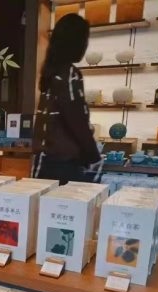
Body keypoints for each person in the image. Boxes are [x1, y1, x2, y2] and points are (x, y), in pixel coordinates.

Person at [32, 13, 101, 185]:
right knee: (64, 202)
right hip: (64, 163)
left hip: (43, 160)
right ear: (75, 43)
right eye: (85, 40)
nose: (86, 45)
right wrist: (94, 156)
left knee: (41, 200)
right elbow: (76, 121)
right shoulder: (69, 74)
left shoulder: (50, 73)